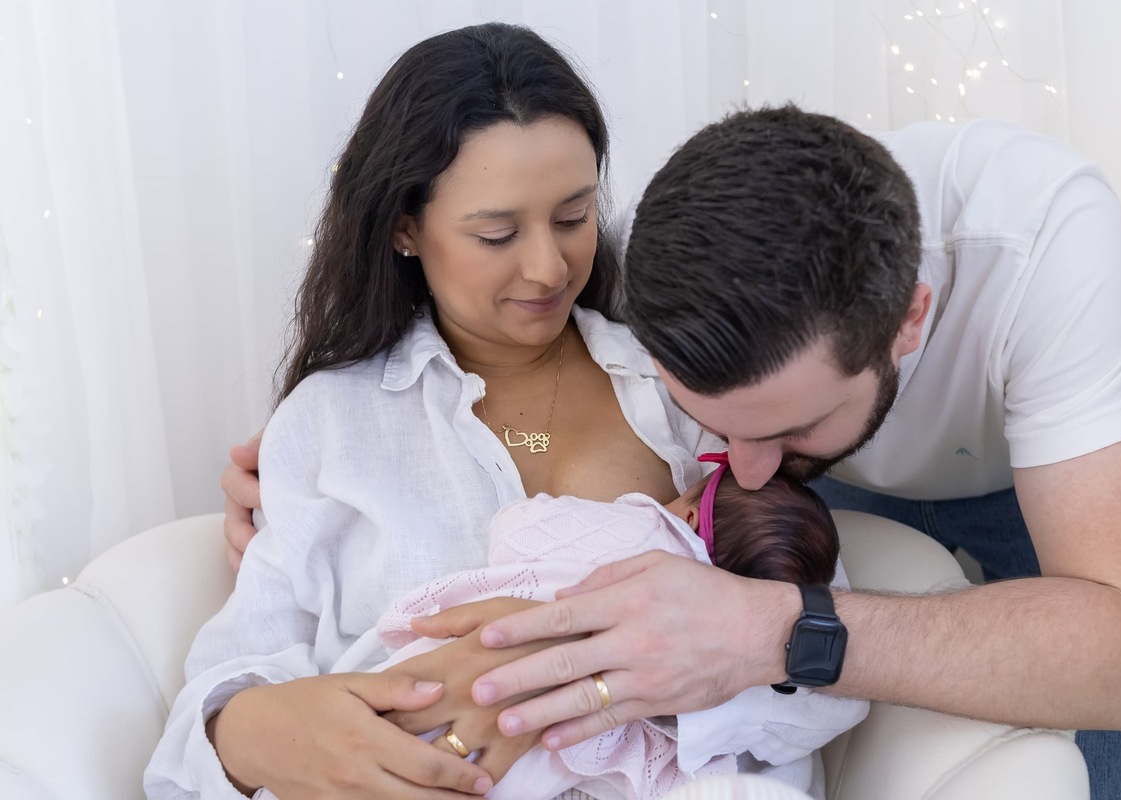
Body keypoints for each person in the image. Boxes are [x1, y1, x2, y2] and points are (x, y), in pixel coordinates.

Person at [361, 107, 1121, 800]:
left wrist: (773, 630)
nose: (743, 470)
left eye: (789, 429)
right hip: (846, 491)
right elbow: (528, 417)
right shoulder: (688, 267)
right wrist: (341, 446)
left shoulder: (1045, 242)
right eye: (711, 423)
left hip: (1062, 478)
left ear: (910, 321)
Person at [149, 25, 862, 800]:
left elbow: (833, 669)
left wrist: (607, 682)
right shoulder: (330, 424)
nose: (548, 267)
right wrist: (266, 731)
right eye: (497, 233)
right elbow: (212, 711)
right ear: (403, 227)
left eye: (572, 216)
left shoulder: (685, 390)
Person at [367, 458, 860, 800]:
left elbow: (515, 529)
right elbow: (835, 689)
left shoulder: (643, 528)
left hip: (459, 668)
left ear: (689, 512)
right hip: (572, 752)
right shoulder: (764, 625)